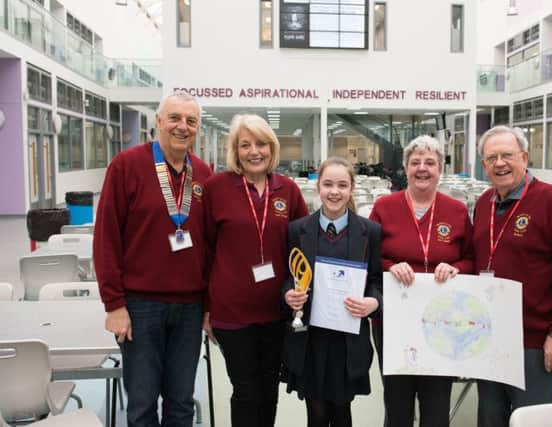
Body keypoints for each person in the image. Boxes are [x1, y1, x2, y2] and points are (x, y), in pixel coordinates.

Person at [94, 90, 212, 427]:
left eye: (191, 121)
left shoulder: (203, 173)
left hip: (190, 308)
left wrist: (208, 305)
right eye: (174, 118)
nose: (182, 127)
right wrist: (114, 304)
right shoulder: (127, 166)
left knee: (181, 404)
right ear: (158, 122)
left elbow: (210, 245)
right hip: (139, 306)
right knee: (142, 406)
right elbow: (107, 238)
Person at [472, 125, 552, 427]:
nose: (500, 163)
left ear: (524, 157)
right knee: (490, 417)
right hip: (488, 336)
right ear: (483, 165)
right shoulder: (484, 203)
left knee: (530, 420)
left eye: (507, 155)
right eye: (491, 157)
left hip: (534, 342)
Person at [202, 114, 308, 427]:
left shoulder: (287, 190)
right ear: (235, 151)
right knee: (246, 390)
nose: (254, 151)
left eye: (260, 143)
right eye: (245, 145)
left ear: (271, 148)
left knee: (268, 390)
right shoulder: (216, 188)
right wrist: (205, 309)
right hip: (232, 313)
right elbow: (205, 251)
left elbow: (301, 248)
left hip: (276, 311)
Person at [369, 135, 474, 427]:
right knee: (397, 403)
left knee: (437, 405)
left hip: (442, 321)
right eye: (415, 162)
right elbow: (367, 259)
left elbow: (472, 260)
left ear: (440, 168)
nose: (422, 168)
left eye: (430, 162)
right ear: (406, 168)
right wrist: (390, 266)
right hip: (393, 320)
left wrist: (456, 268)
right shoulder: (384, 207)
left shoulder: (457, 210)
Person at [282, 156, 382, 427]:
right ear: (318, 187)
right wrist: (289, 294)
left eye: (342, 185)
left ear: (351, 188)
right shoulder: (297, 230)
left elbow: (376, 280)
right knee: (315, 411)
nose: (334, 191)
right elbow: (289, 277)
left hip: (346, 338)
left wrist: (374, 302)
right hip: (310, 337)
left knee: (341, 409)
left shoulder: (370, 232)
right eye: (327, 184)